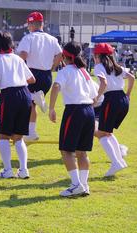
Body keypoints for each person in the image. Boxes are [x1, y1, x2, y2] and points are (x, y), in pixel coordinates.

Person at [48, 41, 97, 197]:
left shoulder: (66, 71)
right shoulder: (84, 71)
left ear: (64, 55)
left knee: (66, 150)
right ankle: (84, 185)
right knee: (82, 152)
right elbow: (95, 97)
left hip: (74, 111)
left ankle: (76, 185)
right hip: (89, 110)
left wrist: (51, 108)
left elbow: (56, 86)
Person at [0, 31, 36, 179]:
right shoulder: (18, 59)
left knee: (3, 135)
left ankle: (7, 170)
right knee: (18, 137)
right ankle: (23, 170)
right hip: (25, 94)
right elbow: (32, 79)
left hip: (9, 96)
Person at [16, 11, 62, 140]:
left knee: (26, 103)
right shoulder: (52, 39)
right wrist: (52, 67)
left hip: (32, 74)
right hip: (47, 75)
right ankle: (31, 132)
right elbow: (60, 54)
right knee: (32, 104)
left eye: (28, 24)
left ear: (31, 24)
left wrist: (16, 65)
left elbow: (23, 55)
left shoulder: (28, 38)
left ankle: (30, 131)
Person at [93, 43, 135, 177]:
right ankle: (119, 160)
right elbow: (132, 77)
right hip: (122, 100)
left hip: (111, 100)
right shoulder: (117, 67)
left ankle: (116, 162)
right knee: (108, 133)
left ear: (97, 55)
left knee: (101, 133)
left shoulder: (99, 66)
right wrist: (128, 94)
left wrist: (96, 97)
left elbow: (104, 83)